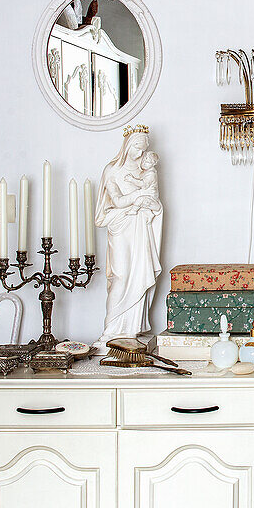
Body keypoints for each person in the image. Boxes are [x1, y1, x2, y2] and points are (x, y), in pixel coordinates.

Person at [95, 127, 163, 347]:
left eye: (142, 149)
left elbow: (156, 203)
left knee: (140, 274)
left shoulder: (147, 171)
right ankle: (111, 327)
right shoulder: (112, 170)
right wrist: (137, 198)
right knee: (121, 275)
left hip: (140, 229)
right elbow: (113, 202)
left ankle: (132, 329)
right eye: (135, 147)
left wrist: (149, 203)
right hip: (120, 227)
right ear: (126, 146)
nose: (138, 153)